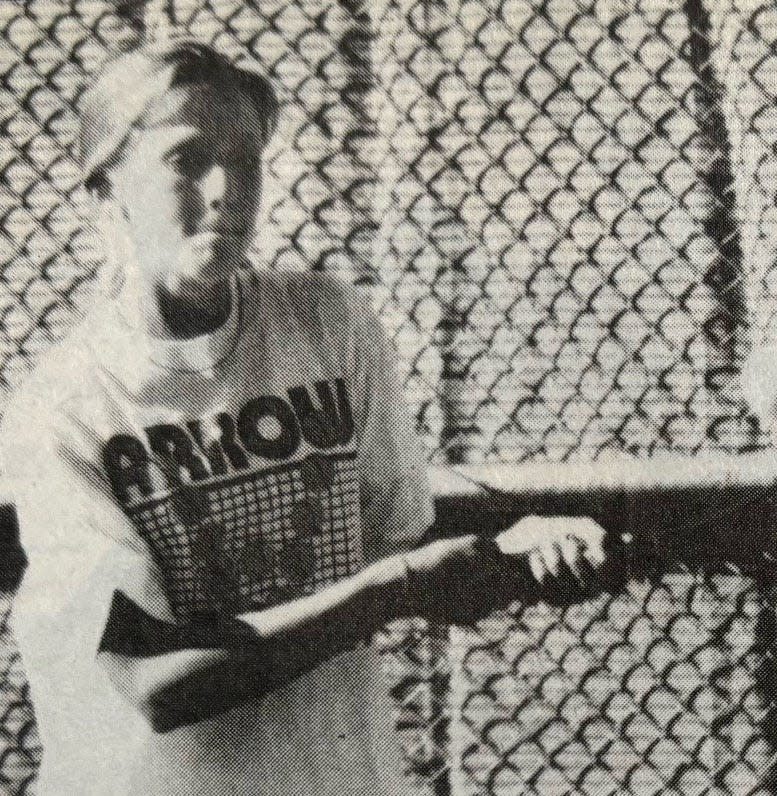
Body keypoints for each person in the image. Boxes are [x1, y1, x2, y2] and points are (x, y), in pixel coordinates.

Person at [0, 37, 608, 795]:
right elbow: (157, 681)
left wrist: (514, 546)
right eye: (187, 159)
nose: (226, 188)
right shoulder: (63, 405)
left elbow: (400, 539)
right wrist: (401, 586)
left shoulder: (327, 324)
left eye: (247, 159)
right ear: (107, 185)